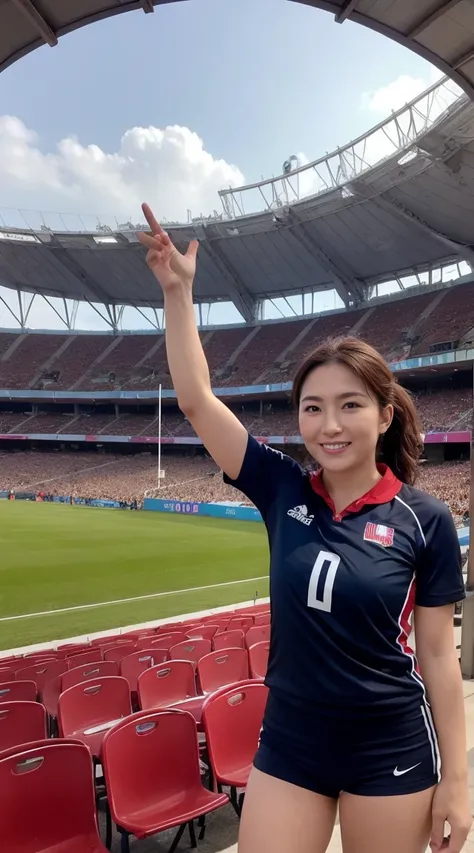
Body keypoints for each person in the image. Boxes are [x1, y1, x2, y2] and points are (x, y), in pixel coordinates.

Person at [137, 203, 471, 853]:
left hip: (389, 745)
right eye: (313, 408)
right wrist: (178, 293)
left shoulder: (422, 518)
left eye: (350, 405)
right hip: (291, 739)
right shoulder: (280, 484)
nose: (329, 424)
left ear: (383, 414)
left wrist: (458, 780)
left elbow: (437, 656)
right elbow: (196, 400)